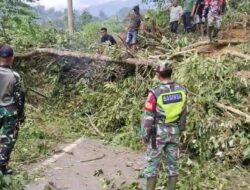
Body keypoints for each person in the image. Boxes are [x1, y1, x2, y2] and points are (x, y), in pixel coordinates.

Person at [141, 62, 187, 190]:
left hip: (158, 134)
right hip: (174, 132)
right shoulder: (182, 90)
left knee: (152, 164)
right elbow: (184, 112)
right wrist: (181, 129)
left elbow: (148, 117)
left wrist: (145, 135)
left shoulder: (155, 92)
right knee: (173, 165)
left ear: (157, 75)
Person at [0, 44, 25, 175]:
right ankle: (2, 166)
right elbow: (20, 97)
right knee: (8, 139)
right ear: (12, 58)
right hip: (9, 111)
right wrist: (21, 116)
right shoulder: (15, 75)